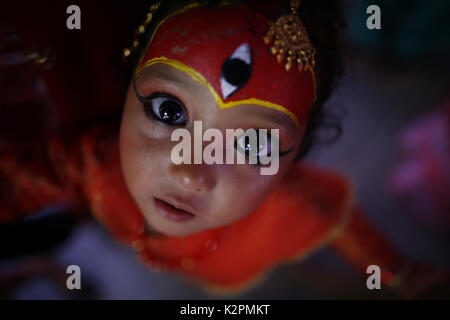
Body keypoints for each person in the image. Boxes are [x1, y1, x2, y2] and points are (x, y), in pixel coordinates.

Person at [0, 0, 444, 296]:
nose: (191, 172)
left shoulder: (300, 208)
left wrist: (402, 275)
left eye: (252, 143)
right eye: (169, 111)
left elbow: (354, 236)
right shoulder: (91, 159)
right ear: (127, 89)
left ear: (294, 162)